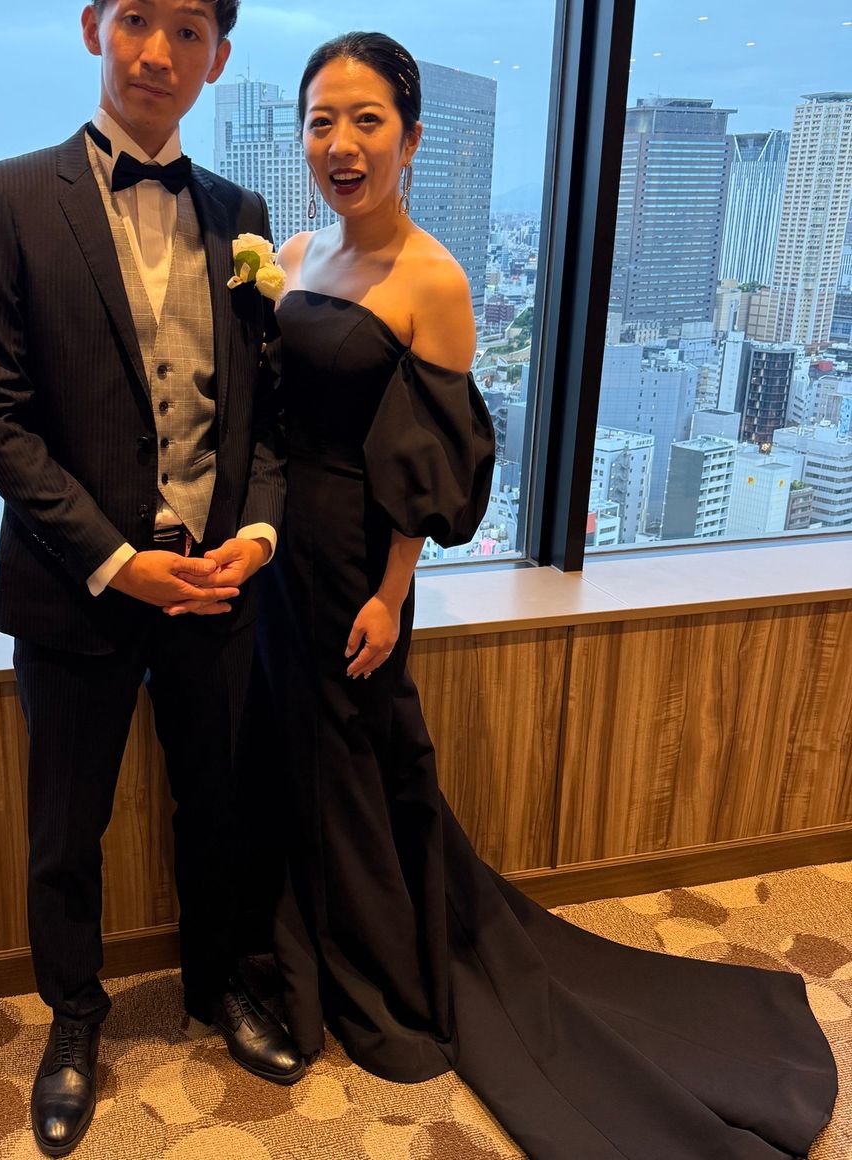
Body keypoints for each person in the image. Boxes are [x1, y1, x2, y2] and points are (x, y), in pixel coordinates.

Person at [263, 31, 837, 1159]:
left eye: (367, 120)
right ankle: (314, 957)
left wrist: (390, 594)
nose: (342, 142)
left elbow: (432, 462)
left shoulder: (432, 278)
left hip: (357, 571)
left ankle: (386, 981)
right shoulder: (293, 252)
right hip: (283, 554)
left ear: (410, 140)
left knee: (362, 769)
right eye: (322, 120)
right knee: (306, 764)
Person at [0, 1, 304, 1154]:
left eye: (187, 30)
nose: (157, 51)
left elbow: (265, 410)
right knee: (67, 824)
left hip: (214, 580)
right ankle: (73, 1016)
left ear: (218, 58)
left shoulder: (242, 216)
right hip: (76, 583)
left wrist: (256, 532)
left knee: (219, 802)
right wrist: (113, 560)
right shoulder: (6, 196)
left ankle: (218, 981)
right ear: (93, 25)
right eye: (137, 18)